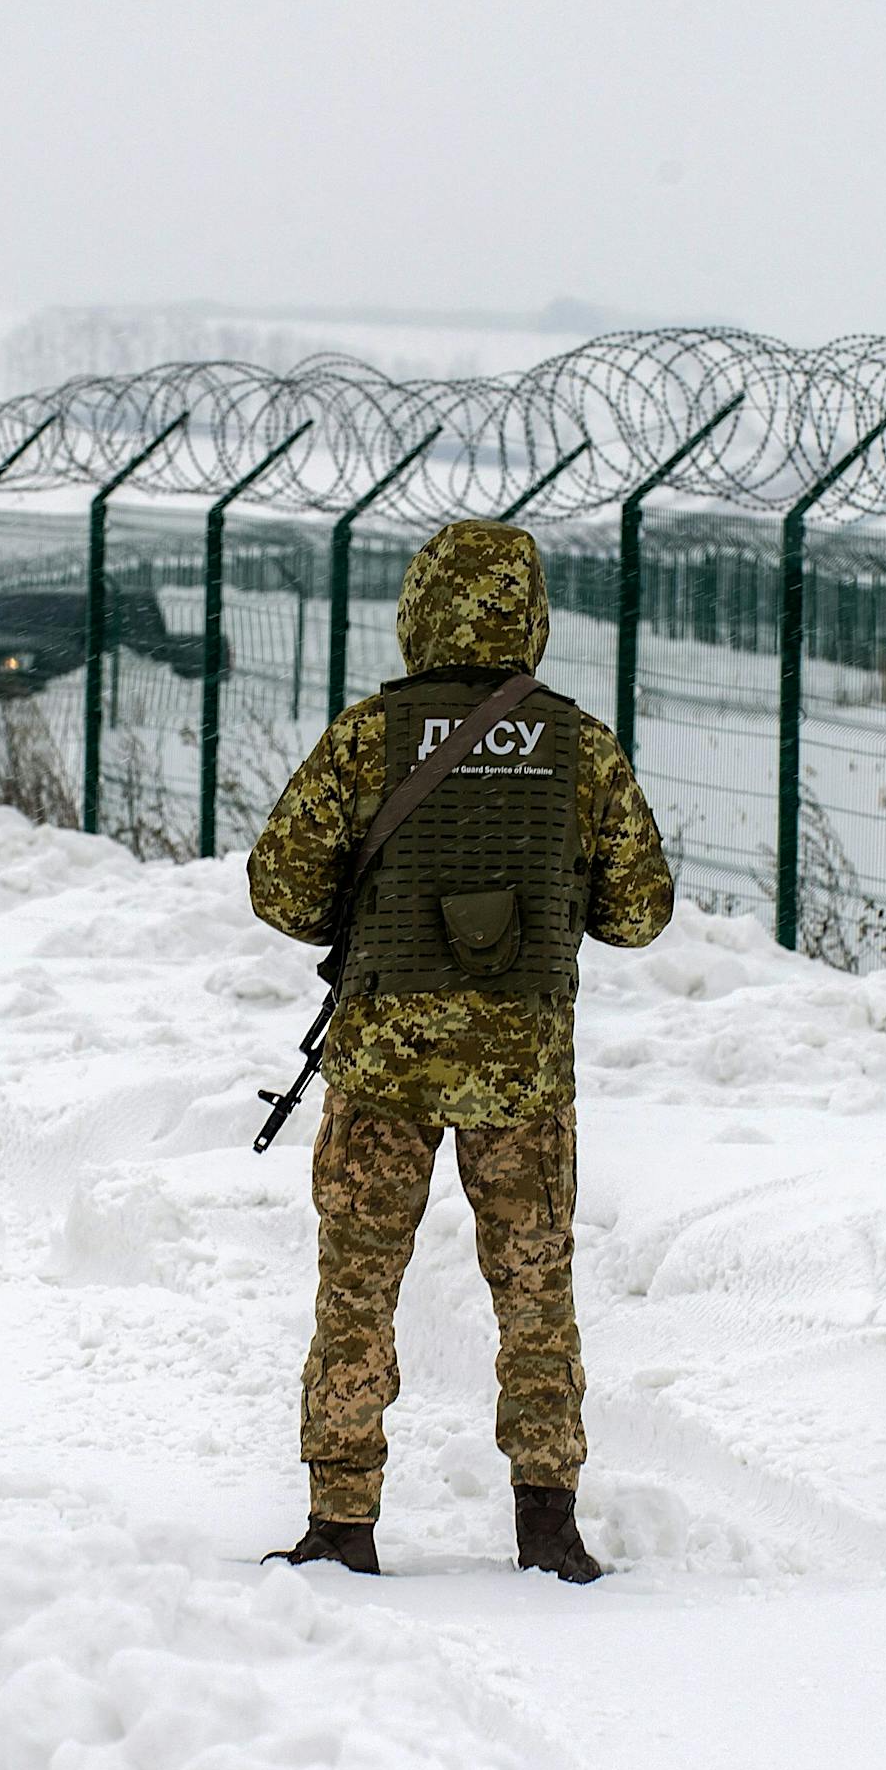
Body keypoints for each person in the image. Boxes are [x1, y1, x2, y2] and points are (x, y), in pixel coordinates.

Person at [247, 517, 675, 1583]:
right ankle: (547, 1524)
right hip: (521, 1069)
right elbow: (639, 913)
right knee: (534, 1292)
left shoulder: (370, 735)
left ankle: (341, 1523)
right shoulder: (576, 744)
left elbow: (279, 885)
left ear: (418, 609)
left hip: (382, 1058)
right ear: (529, 614)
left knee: (356, 1287)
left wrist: (371, 908)